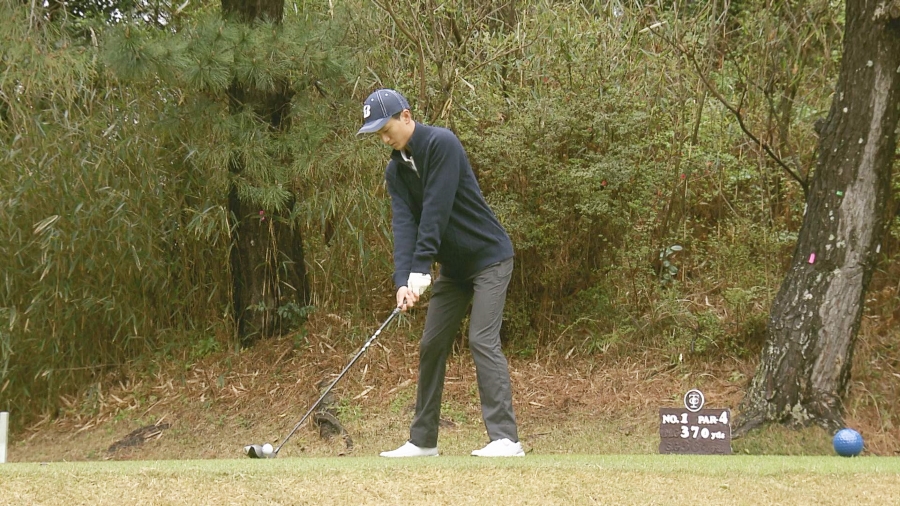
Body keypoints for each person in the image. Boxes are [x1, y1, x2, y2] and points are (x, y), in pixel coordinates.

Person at [357, 89, 524, 457]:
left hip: (490, 258)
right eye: (378, 134)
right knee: (431, 344)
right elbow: (404, 225)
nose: (384, 138)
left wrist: (421, 269)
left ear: (405, 116)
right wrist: (403, 281)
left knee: (482, 338)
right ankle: (423, 441)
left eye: (386, 129)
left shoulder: (441, 144)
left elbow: (435, 210)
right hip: (456, 268)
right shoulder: (395, 170)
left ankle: (506, 439)